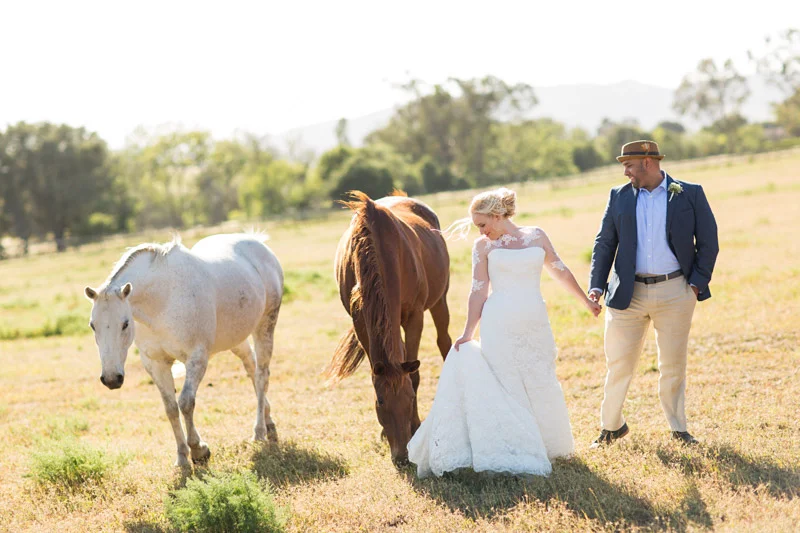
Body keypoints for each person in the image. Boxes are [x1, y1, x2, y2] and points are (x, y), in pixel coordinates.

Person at [407, 187, 602, 478]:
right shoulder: (483, 247)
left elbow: (560, 271)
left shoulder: (536, 235)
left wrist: (586, 301)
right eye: (478, 227)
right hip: (499, 322)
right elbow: (478, 291)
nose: (481, 231)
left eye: (482, 224)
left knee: (541, 377)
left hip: (535, 320)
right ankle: (515, 447)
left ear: (498, 215)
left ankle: (550, 445)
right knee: (506, 382)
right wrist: (468, 332)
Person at [588, 140, 719, 448]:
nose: (625, 172)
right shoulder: (618, 196)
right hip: (626, 294)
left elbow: (708, 241)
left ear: (647, 163)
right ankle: (611, 427)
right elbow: (604, 243)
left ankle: (679, 429)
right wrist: (596, 285)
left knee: (673, 365)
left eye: (628, 166)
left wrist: (695, 284)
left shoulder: (690, 193)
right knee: (618, 364)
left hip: (675, 292)